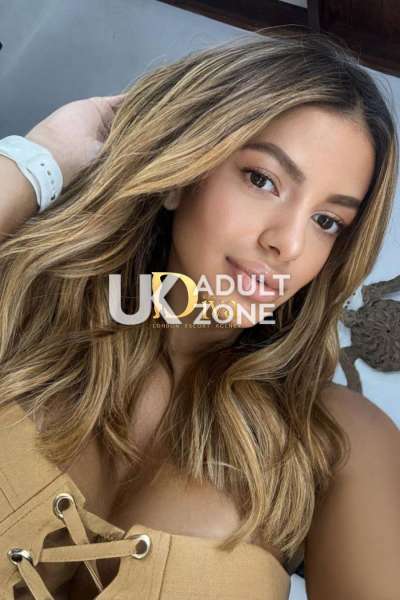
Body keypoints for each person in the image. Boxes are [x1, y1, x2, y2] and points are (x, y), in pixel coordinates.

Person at [0, 30, 399, 600]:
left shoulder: (340, 442)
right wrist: (42, 157)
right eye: (262, 180)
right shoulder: (23, 309)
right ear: (183, 176)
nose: (287, 243)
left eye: (326, 222)